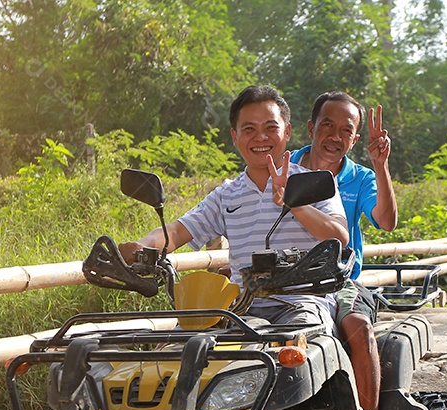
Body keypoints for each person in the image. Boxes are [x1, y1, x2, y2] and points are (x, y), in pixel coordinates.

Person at [118, 85, 349, 332]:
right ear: (235, 137)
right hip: (241, 307)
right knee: (188, 347)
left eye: (271, 128)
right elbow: (176, 231)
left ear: (287, 132)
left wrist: (295, 205)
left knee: (302, 346)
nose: (260, 137)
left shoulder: (316, 182)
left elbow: (339, 236)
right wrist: (141, 247)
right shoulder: (226, 195)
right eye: (249, 129)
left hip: (302, 304)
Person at [291, 92, 398, 410]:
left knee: (357, 326)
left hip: (338, 283)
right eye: (327, 125)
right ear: (311, 128)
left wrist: (380, 166)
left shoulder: (360, 178)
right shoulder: (283, 167)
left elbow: (386, 220)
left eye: (346, 130)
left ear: (353, 140)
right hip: (283, 279)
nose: (335, 136)